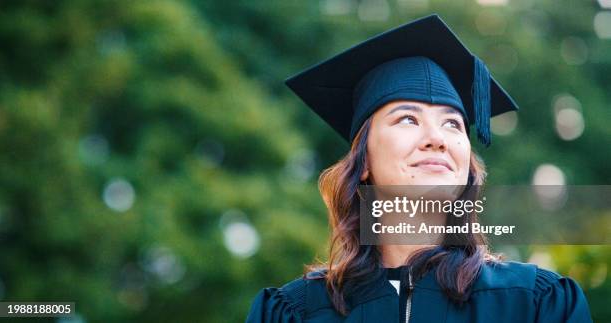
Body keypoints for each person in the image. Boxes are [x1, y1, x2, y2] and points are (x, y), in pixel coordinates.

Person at [246, 14, 592, 323]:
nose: (437, 139)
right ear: (363, 161)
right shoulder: (296, 312)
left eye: (453, 125)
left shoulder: (535, 304)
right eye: (408, 119)